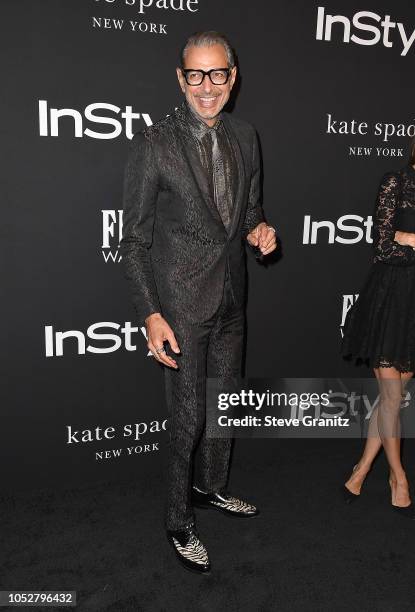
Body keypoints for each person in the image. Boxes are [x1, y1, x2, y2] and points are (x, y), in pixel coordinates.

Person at [120, 31, 277, 573]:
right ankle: (177, 521)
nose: (206, 87)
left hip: (234, 296)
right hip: (182, 306)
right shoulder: (154, 143)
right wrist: (150, 313)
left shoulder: (246, 135)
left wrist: (259, 232)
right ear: (180, 79)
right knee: (186, 419)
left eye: (217, 75)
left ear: (233, 79)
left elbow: (249, 209)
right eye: (195, 75)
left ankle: (212, 489)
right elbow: (134, 242)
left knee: (224, 407)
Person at [341, 98, 415, 519]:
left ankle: (362, 466)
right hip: (389, 297)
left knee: (393, 397)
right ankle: (398, 475)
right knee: (391, 396)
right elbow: (384, 248)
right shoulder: (396, 182)